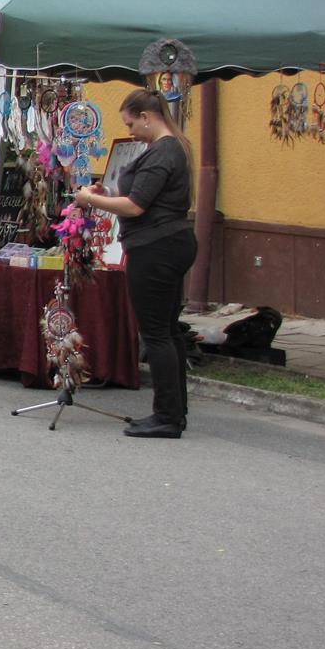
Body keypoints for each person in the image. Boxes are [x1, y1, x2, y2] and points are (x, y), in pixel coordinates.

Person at [74, 88, 196, 439]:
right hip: (168, 243)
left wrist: (89, 199)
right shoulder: (168, 149)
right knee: (168, 330)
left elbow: (136, 206)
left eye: (130, 124)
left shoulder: (163, 152)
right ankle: (175, 410)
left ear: (146, 117)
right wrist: (108, 194)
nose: (129, 131)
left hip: (156, 248)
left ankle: (167, 416)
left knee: (155, 333)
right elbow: (141, 197)